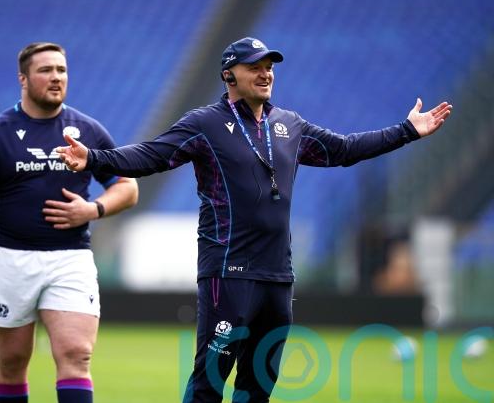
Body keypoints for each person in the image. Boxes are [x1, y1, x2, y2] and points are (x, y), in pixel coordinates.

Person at [57, 37, 453, 402]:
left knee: (259, 386)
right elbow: (151, 155)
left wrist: (407, 131)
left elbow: (345, 149)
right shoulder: (204, 124)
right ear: (229, 75)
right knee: (209, 384)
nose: (266, 74)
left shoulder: (290, 125)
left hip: (278, 276)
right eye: (255, 67)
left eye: (269, 67)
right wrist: (93, 158)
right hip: (228, 273)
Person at [0, 42, 139, 403]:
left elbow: (127, 187)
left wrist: (93, 210)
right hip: (9, 257)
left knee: (76, 355)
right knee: (11, 362)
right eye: (46, 70)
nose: (56, 77)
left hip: (70, 258)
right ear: (23, 79)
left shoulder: (87, 130)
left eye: (61, 70)